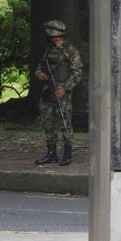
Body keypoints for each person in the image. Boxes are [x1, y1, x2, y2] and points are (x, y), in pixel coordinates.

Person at [34, 20, 83, 165]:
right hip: (47, 90)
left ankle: (67, 154)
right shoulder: (49, 50)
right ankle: (51, 153)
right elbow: (39, 67)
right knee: (47, 122)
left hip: (63, 92)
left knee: (64, 122)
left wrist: (65, 88)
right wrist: (39, 74)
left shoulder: (70, 50)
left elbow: (77, 72)